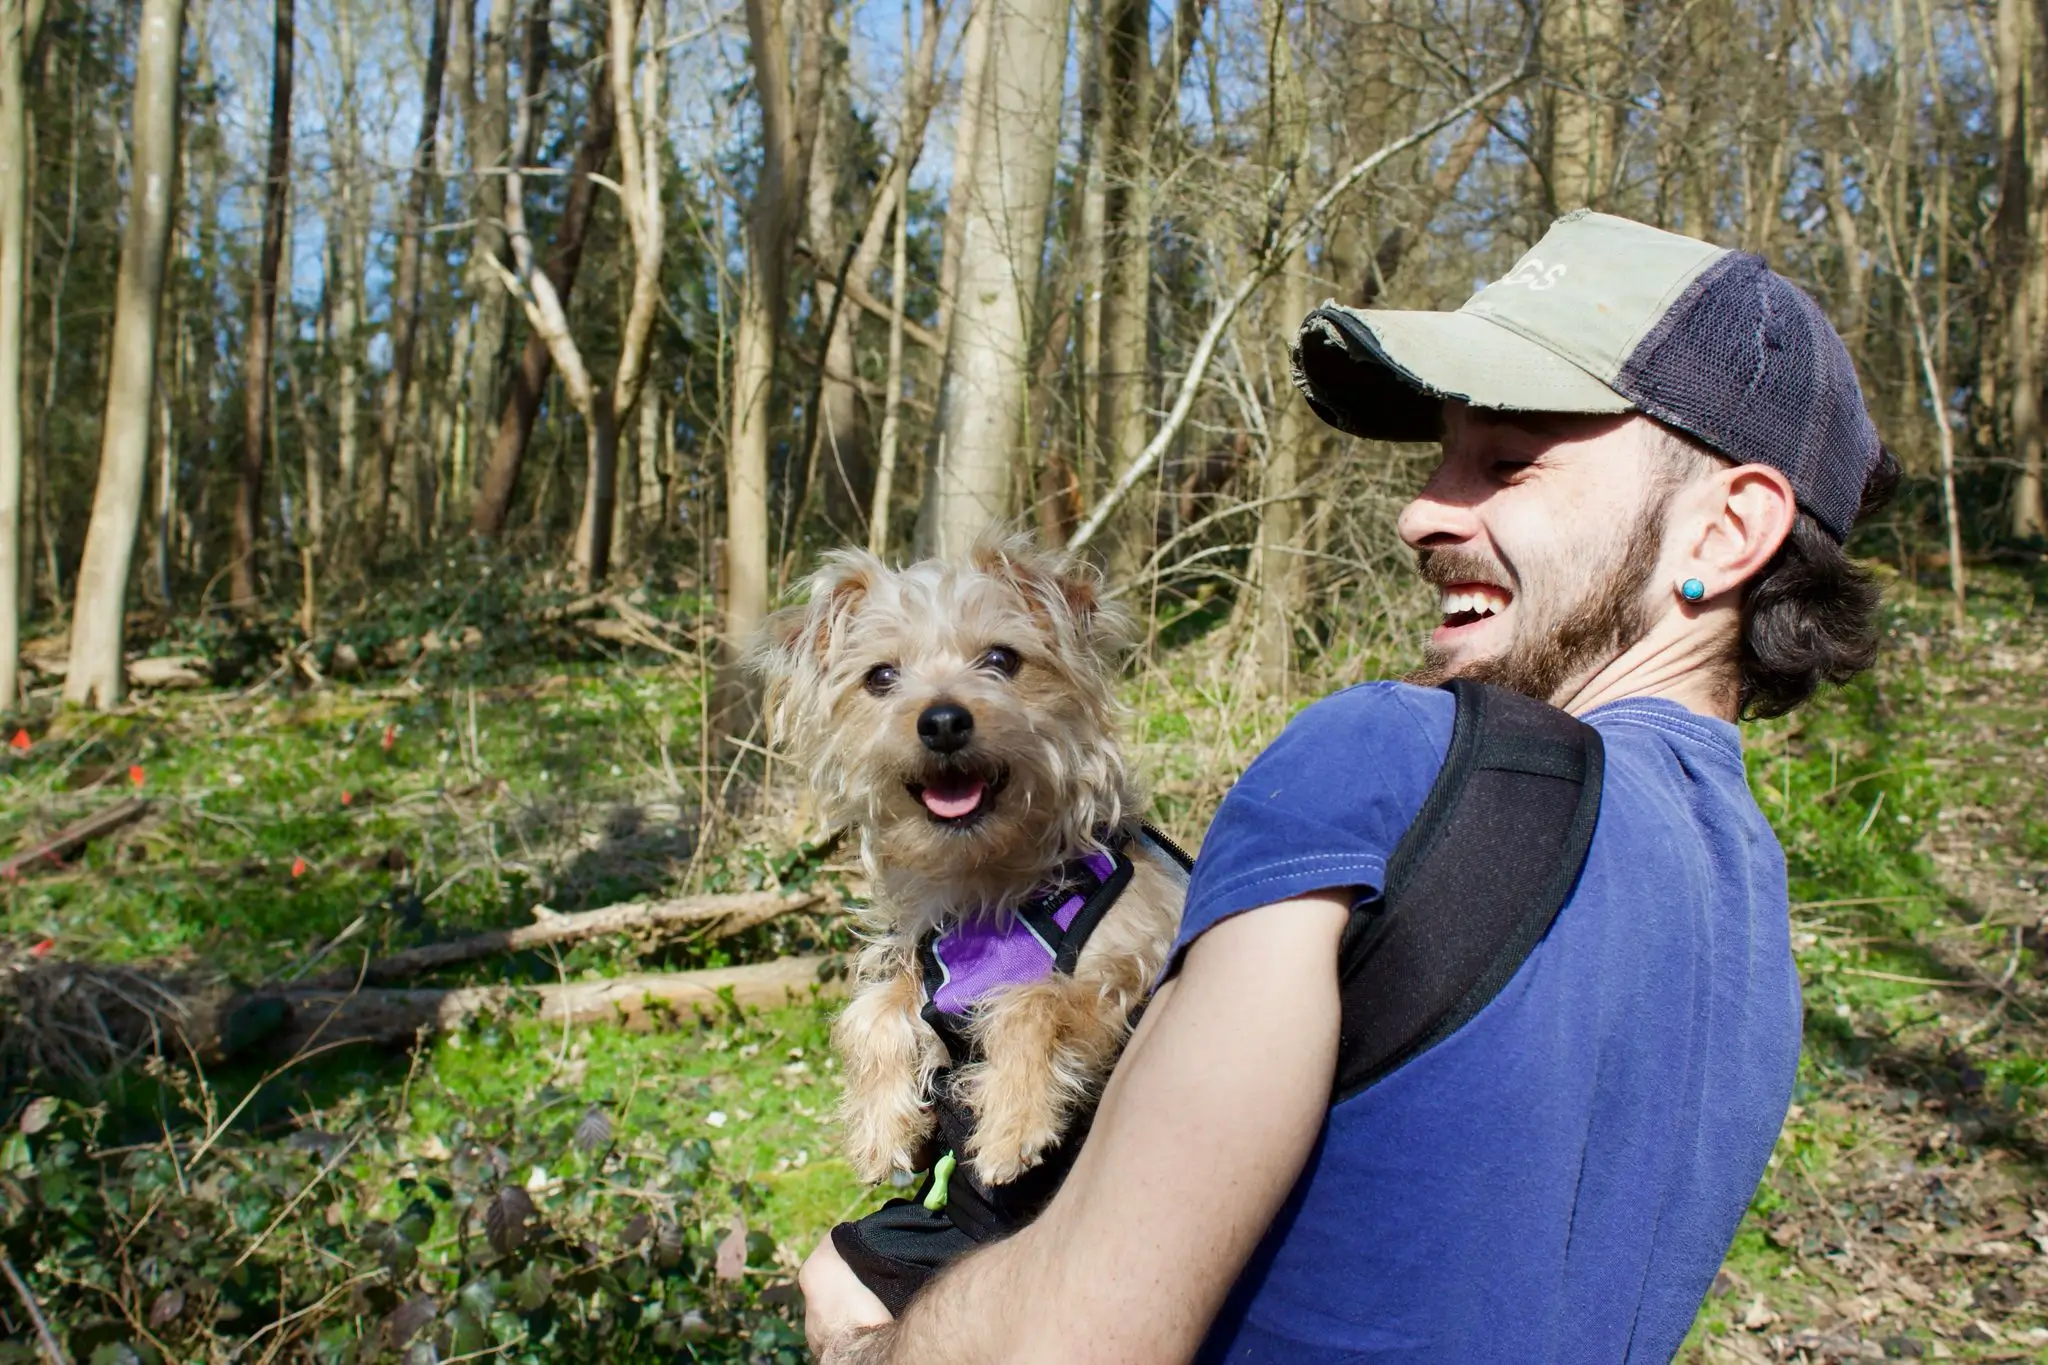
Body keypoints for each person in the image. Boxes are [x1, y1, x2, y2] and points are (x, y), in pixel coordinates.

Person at [798, 209, 1898, 1363]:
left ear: (1727, 532)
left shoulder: (1383, 765)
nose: (1419, 510)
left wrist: (872, 1325)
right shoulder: (1752, 907)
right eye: (1438, 457)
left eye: (1508, 461)